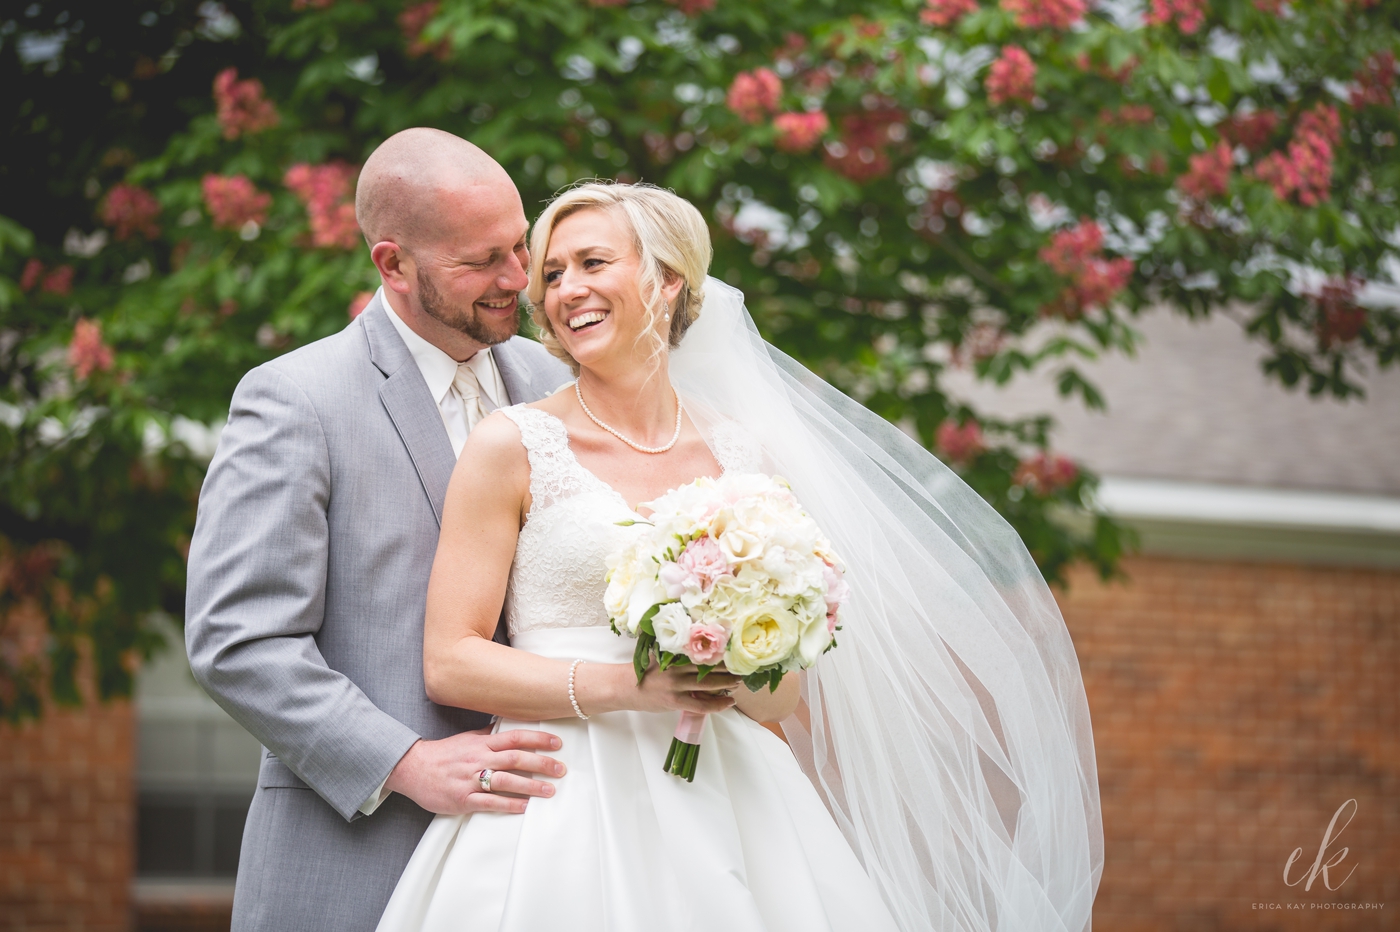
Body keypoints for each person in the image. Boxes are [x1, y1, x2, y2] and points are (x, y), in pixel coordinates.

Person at [376, 183, 1103, 932]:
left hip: (728, 794)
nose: (567, 291)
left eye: (593, 262)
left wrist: (733, 649)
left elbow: (778, 700)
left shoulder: (743, 453)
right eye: (553, 274)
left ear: (667, 282)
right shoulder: (515, 443)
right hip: (561, 796)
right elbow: (451, 660)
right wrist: (632, 685)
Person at [183, 128, 574, 931]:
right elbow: (236, 638)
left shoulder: (555, 382)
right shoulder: (296, 399)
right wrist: (405, 763)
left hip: (553, 855)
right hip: (360, 860)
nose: (518, 280)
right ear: (392, 265)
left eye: (519, 246)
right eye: (480, 262)